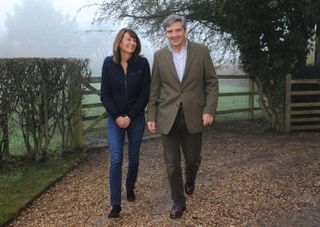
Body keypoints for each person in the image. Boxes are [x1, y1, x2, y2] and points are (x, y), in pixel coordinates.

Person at [147, 14, 219, 219]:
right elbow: (155, 88)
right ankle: (179, 202)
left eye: (178, 30)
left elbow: (212, 83)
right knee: (171, 165)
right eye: (170, 32)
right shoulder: (159, 56)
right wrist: (151, 115)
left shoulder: (201, 51)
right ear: (166, 33)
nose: (174, 35)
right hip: (167, 116)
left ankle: (191, 179)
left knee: (193, 159)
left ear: (185, 30)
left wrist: (209, 109)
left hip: (194, 114)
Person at [100, 28, 151, 218]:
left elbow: (145, 94)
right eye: (129, 39)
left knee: (134, 157)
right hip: (115, 119)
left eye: (135, 40)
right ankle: (115, 204)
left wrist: (130, 116)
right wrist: (116, 116)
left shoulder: (142, 63)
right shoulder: (108, 63)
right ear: (119, 42)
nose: (132, 43)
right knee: (116, 159)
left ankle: (130, 187)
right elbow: (105, 94)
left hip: (135, 117)